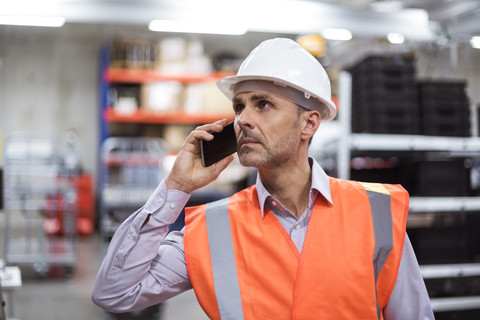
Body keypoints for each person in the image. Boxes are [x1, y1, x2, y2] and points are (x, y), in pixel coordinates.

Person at [92, 38, 434, 319]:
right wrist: (176, 188)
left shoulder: (374, 213)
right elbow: (114, 293)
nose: (242, 120)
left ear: (309, 124)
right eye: (240, 107)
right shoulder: (212, 228)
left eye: (263, 105)